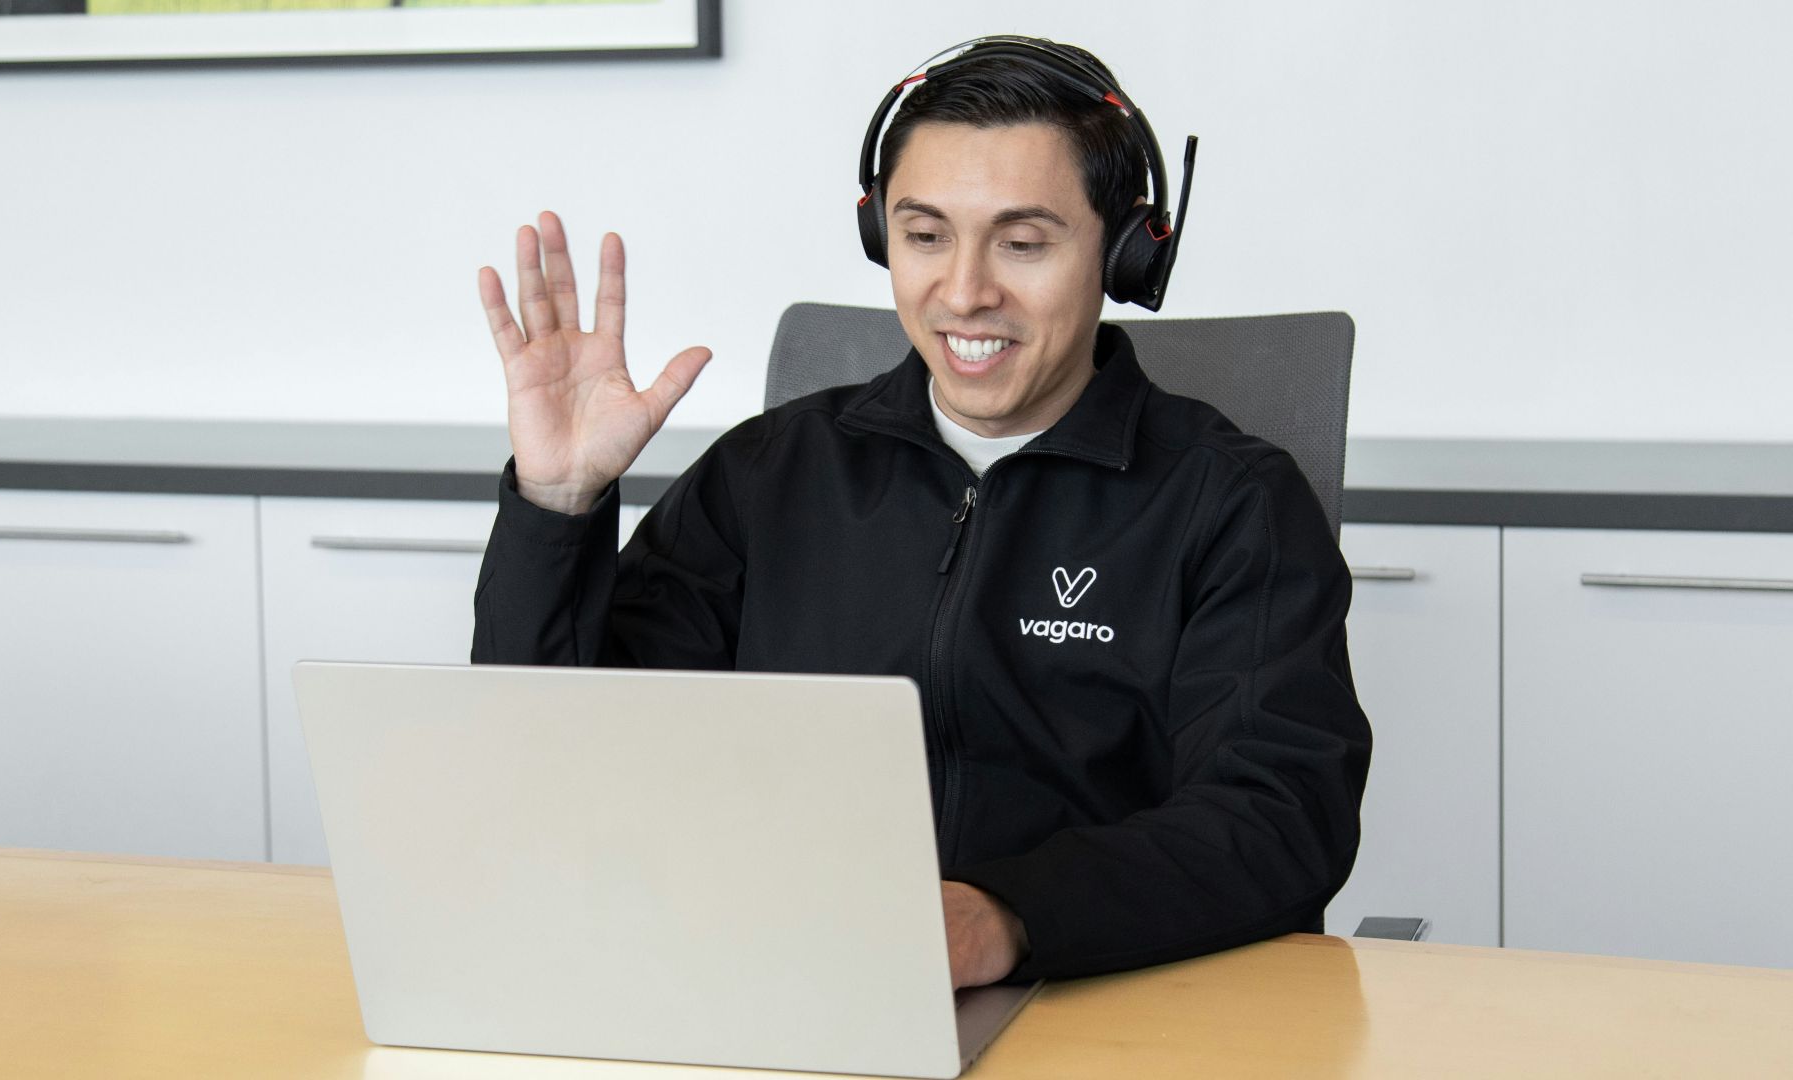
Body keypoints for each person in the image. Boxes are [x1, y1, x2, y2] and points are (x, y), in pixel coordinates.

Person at [471, 36, 1370, 989]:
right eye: (925, 235)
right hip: (791, 987)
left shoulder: (1230, 502)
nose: (965, 291)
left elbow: (1279, 816)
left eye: (1023, 243)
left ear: (1123, 252)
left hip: (1109, 1004)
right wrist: (557, 507)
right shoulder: (769, 474)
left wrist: (1004, 918)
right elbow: (562, 766)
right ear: (881, 238)